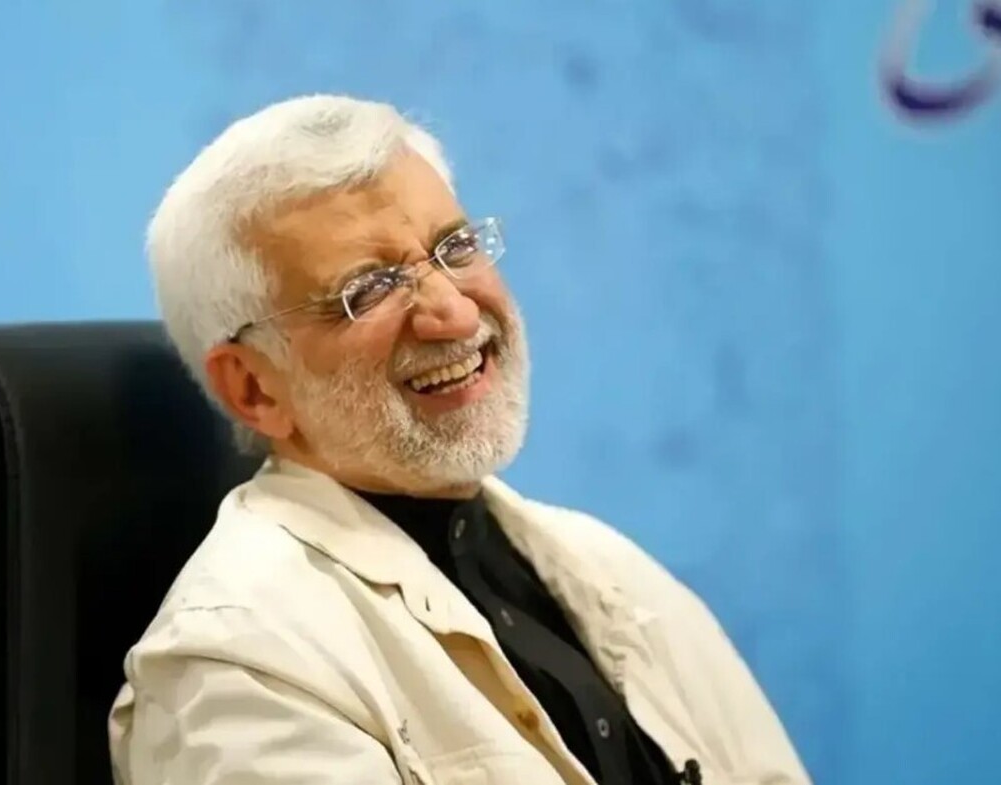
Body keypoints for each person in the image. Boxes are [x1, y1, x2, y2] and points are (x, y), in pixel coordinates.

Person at [108, 94, 811, 785]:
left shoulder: (606, 568)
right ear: (254, 387)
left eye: (455, 247)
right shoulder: (241, 666)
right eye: (369, 288)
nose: (453, 311)